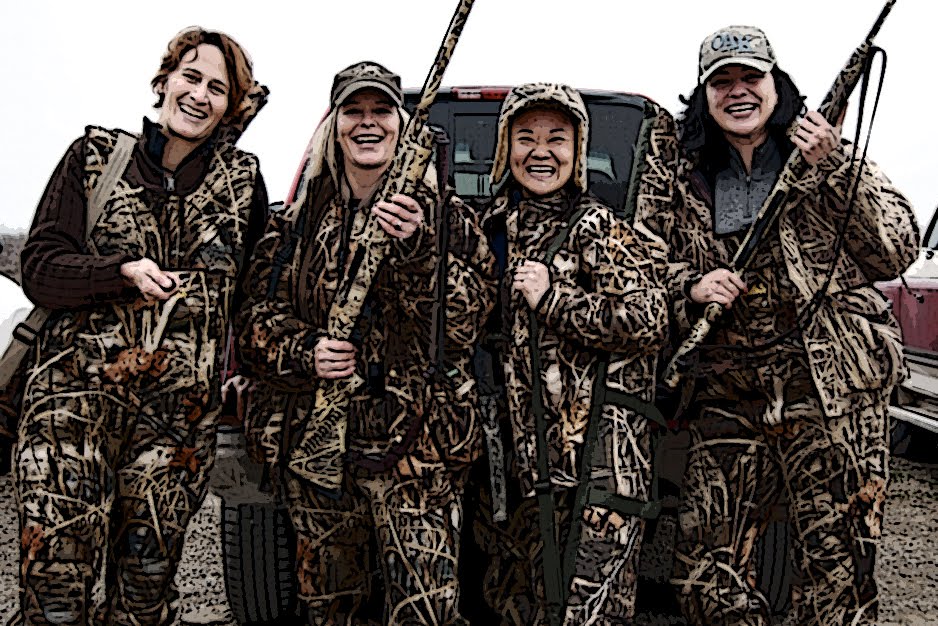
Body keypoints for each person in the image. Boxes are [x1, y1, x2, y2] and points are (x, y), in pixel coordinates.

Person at [637, 25, 919, 626]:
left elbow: (896, 249)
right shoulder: (681, 171)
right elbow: (642, 262)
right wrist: (691, 286)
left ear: (777, 84)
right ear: (705, 95)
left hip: (830, 389)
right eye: (722, 82)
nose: (738, 91)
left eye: (751, 77)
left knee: (839, 570)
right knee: (703, 570)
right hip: (728, 390)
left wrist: (834, 166)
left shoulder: (821, 155)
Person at [14, 27, 268, 625]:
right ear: (164, 80)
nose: (199, 95)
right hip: (70, 415)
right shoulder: (96, 158)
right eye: (191, 77)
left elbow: (254, 299)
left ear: (231, 106)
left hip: (176, 429)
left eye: (217, 88)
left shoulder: (241, 184)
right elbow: (40, 267)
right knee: (55, 596)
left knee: (144, 595)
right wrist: (119, 272)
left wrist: (247, 373)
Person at [237, 61, 496, 625]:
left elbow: (465, 325)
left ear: (403, 127)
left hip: (417, 453)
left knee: (426, 611)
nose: (368, 122)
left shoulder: (447, 219)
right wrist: (305, 351)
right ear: (334, 127)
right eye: (353, 111)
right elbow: (253, 321)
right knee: (329, 608)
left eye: (382, 110)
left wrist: (418, 250)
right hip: (317, 452)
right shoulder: (295, 223)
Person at [477, 83, 670, 625]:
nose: (541, 152)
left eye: (557, 138)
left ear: (578, 150)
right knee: (520, 604)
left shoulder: (597, 226)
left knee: (590, 611)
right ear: (505, 147)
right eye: (526, 137)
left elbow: (650, 318)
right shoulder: (490, 228)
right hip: (517, 464)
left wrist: (555, 299)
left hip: (593, 466)